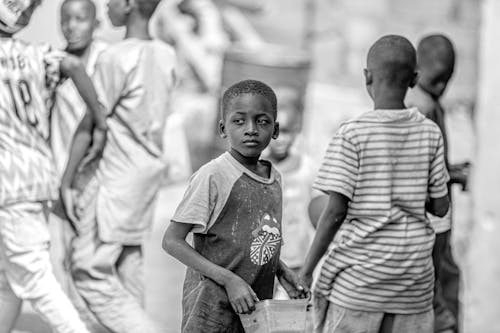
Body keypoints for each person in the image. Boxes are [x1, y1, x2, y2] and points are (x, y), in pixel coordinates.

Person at [298, 35, 450, 333]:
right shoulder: (430, 133)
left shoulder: (352, 135)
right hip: (413, 286)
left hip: (359, 286)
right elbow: (441, 208)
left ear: (367, 76)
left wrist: (306, 271)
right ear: (414, 79)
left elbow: (334, 213)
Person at [60, 0, 176, 332]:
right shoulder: (166, 55)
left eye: (113, 0)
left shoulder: (115, 57)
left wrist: (67, 180)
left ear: (127, 6)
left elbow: (93, 122)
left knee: (87, 270)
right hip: (146, 177)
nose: (107, 4)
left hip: (116, 178)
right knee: (129, 263)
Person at [163, 79, 309, 332]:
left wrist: (281, 272)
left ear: (274, 129)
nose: (251, 129)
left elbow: (260, 239)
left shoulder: (274, 178)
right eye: (239, 121)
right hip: (210, 311)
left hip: (254, 310)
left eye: (261, 121)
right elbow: (172, 241)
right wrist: (229, 279)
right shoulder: (214, 175)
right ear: (223, 128)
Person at [0, 0, 106, 332]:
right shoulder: (36, 55)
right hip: (36, 179)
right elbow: (73, 65)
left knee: (36, 281)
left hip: (10, 183)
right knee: (7, 279)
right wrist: (100, 120)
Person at [406, 34, 468, 333]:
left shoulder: (432, 103)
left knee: (447, 279)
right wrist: (447, 175)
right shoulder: (420, 107)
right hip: (428, 224)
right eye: (436, 78)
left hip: (438, 225)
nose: (442, 87)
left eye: (447, 79)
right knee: (437, 295)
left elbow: (434, 164)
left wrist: (452, 171)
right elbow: (418, 171)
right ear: (417, 69)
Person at [266, 89, 316, 277]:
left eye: (287, 131)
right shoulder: (255, 167)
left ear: (296, 130)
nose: (281, 139)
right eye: (275, 132)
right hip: (260, 262)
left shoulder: (307, 170)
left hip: (295, 263)